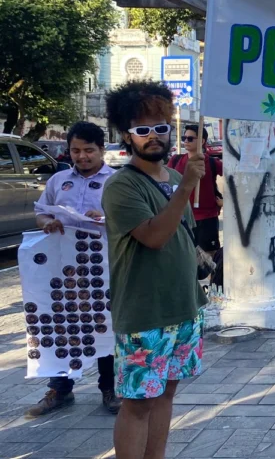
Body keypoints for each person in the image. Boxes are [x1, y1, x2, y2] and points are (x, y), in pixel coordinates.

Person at [102, 80, 207, 459]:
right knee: (138, 403)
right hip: (145, 314)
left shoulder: (177, 178)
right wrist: (186, 188)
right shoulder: (122, 186)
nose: (153, 136)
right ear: (127, 136)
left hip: (182, 308)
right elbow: (154, 237)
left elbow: (184, 237)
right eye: (142, 130)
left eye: (160, 127)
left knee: (166, 393)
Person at [26, 121, 121, 418]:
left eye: (88, 150)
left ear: (102, 150)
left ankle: (110, 388)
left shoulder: (117, 182)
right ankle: (60, 389)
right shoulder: (58, 181)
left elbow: (129, 220)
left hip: (103, 268)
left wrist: (105, 217)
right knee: (63, 327)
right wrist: (47, 223)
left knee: (103, 326)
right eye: (75, 150)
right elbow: (41, 212)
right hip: (64, 269)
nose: (81, 156)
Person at [167, 124, 223, 260]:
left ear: (202, 141)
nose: (186, 141)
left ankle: (212, 282)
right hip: (182, 217)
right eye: (184, 138)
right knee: (184, 257)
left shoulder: (211, 162)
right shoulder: (176, 160)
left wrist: (225, 200)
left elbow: (235, 177)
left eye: (190, 138)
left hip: (207, 218)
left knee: (210, 259)